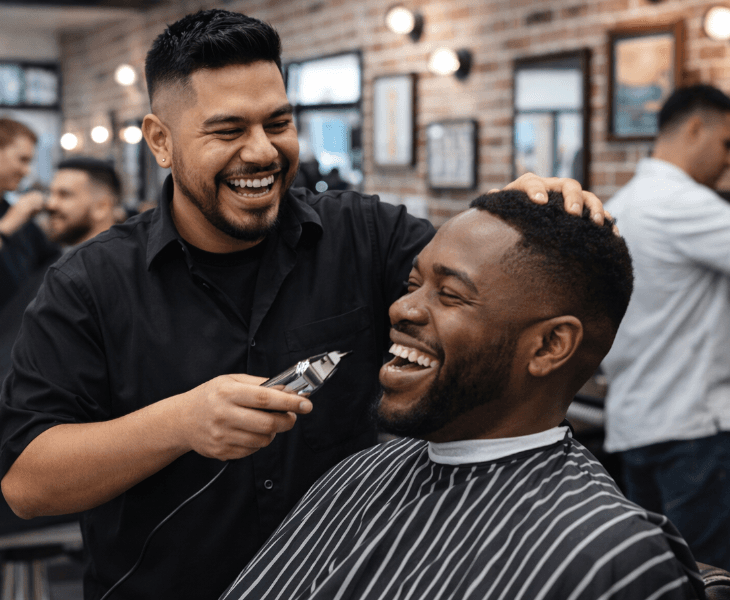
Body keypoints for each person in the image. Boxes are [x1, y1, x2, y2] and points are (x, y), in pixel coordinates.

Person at [0, 10, 607, 599]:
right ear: (161, 140)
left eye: (278, 122)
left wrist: (513, 220)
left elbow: (465, 293)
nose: (263, 152)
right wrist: (181, 422)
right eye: (228, 130)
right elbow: (28, 484)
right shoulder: (88, 283)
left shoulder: (366, 235)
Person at [221, 189, 704, 600]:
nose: (402, 308)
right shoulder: (357, 474)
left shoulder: (611, 556)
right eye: (413, 283)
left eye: (449, 295)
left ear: (550, 346)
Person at [602, 84, 730, 575]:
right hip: (694, 431)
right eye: (728, 143)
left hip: (640, 422)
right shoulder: (675, 200)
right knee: (706, 581)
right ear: (695, 127)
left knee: (657, 576)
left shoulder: (626, 202)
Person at [0, 156, 121, 379]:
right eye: (51, 193)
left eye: (64, 195)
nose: (50, 204)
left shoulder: (119, 275)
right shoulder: (49, 262)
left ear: (102, 206)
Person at [0, 117, 60, 309]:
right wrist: (10, 223)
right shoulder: (15, 217)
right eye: (22, 160)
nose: (27, 171)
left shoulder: (21, 220)